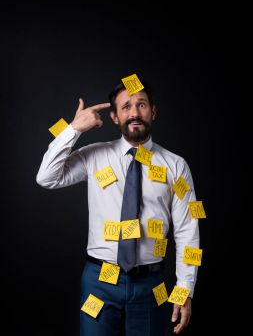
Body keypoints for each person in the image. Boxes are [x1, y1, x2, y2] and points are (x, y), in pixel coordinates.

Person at [36, 81, 200, 336]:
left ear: (153, 112)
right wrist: (74, 129)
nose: (134, 113)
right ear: (114, 116)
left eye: (141, 105)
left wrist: (184, 289)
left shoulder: (176, 166)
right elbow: (46, 177)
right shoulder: (94, 156)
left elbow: (187, 230)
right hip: (99, 281)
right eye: (126, 107)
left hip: (151, 284)